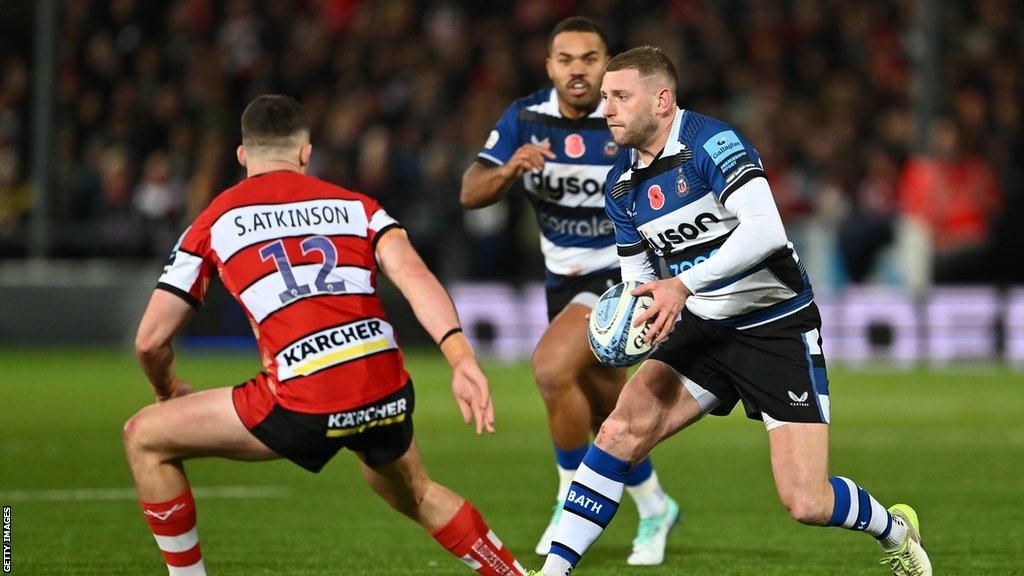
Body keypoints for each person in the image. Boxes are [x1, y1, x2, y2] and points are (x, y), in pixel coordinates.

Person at [532, 47, 932, 576]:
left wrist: (681, 285)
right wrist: (633, 319)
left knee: (806, 502)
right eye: (605, 97)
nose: (607, 108)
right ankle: (555, 571)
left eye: (620, 97)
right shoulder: (621, 187)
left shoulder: (712, 144)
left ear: (662, 100)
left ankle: (895, 530)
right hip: (701, 325)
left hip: (773, 324)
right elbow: (640, 280)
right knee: (618, 431)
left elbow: (767, 233)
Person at [123, 95, 527, 576]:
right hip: (383, 387)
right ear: (305, 153)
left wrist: (166, 389)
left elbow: (149, 340)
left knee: (144, 436)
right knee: (417, 491)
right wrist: (461, 360)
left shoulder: (213, 221)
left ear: (242, 155)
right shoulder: (359, 207)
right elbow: (416, 278)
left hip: (303, 395)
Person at [460, 17, 679, 565]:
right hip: (561, 281)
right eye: (566, 59)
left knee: (550, 369)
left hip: (622, 274)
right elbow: (470, 191)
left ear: (607, 63)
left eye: (589, 58)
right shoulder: (525, 119)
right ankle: (655, 505)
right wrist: (510, 168)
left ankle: (566, 497)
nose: (578, 70)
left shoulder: (623, 119)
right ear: (549, 66)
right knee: (610, 405)